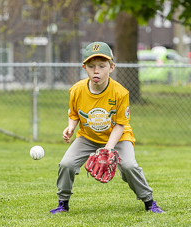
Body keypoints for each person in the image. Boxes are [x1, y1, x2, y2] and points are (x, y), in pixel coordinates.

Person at [50, 41, 165, 214]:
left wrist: (108, 149)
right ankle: (63, 204)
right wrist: (71, 127)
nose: (96, 70)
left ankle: (149, 202)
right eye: (91, 66)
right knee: (66, 164)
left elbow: (120, 124)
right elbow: (73, 112)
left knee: (129, 167)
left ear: (111, 67)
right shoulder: (76, 90)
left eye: (102, 66)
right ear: (84, 67)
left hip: (118, 138)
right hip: (88, 137)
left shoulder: (120, 92)